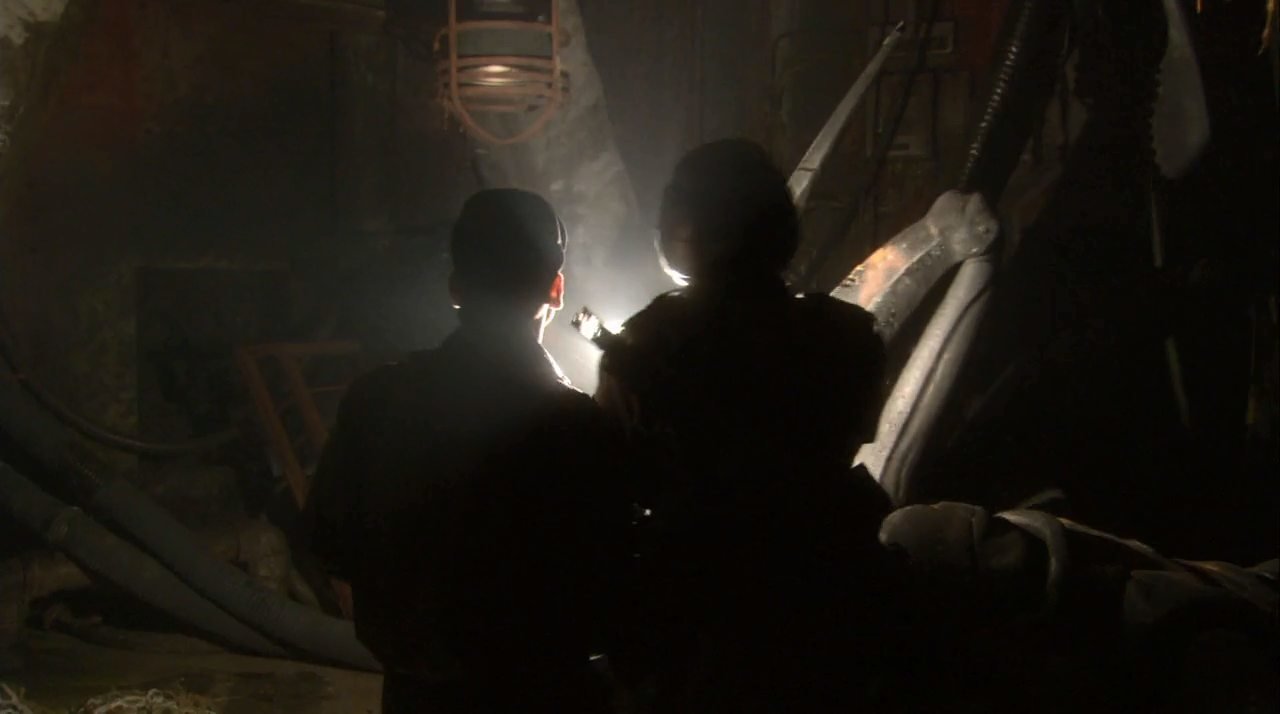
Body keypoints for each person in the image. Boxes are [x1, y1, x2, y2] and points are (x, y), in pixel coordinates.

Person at [596, 139, 904, 713]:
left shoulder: (647, 341)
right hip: (827, 601)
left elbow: (612, 476)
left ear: (690, 227)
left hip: (696, 616)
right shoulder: (846, 337)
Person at [305, 189, 628, 714]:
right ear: (556, 289)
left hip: (418, 694)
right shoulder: (576, 426)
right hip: (543, 695)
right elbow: (612, 588)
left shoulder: (376, 399)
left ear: (455, 286)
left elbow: (329, 544)